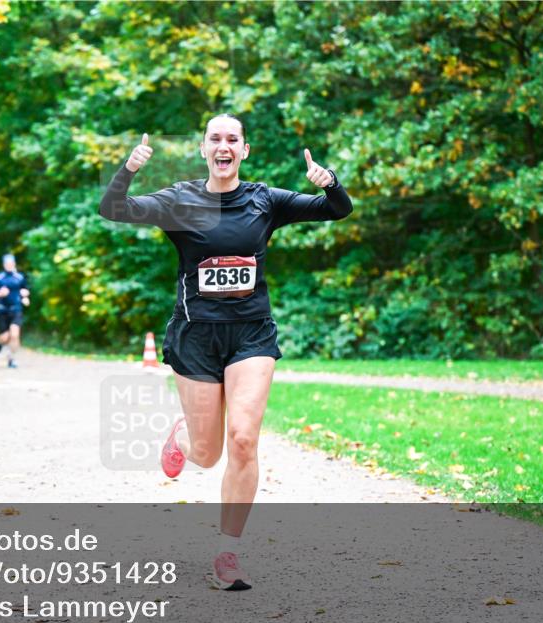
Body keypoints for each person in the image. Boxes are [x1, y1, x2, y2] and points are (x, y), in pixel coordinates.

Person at [98, 115, 353, 591]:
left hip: (251, 335)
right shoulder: (179, 200)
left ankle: (227, 554)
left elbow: (336, 209)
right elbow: (113, 209)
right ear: (203, 150)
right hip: (195, 338)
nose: (223, 146)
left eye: (231, 139)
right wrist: (128, 170)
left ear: (244, 150)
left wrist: (330, 181)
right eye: (215, 139)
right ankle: (183, 438)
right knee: (207, 452)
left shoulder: (264, 200)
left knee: (242, 440)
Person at [0, 253, 31, 369]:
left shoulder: (19, 277)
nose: (9, 266)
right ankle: (0, 342)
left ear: (14, 264)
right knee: (5, 336)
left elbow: (25, 290)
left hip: (16, 309)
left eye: (11, 263)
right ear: (3, 265)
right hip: (2, 310)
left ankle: (12, 359)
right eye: (7, 264)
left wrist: (25, 296)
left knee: (15, 334)